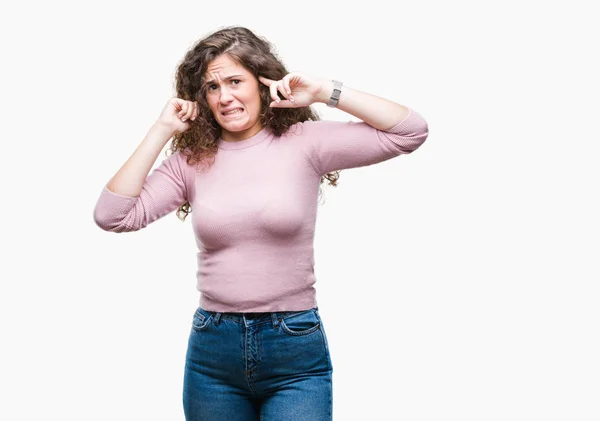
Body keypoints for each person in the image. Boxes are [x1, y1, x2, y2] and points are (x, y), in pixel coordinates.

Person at [93, 25, 429, 421]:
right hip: (213, 355)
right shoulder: (191, 161)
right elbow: (112, 216)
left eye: (235, 81)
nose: (225, 97)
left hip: (294, 349)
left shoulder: (306, 142)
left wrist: (324, 92)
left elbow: (410, 131)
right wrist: (162, 129)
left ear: (261, 82)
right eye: (211, 87)